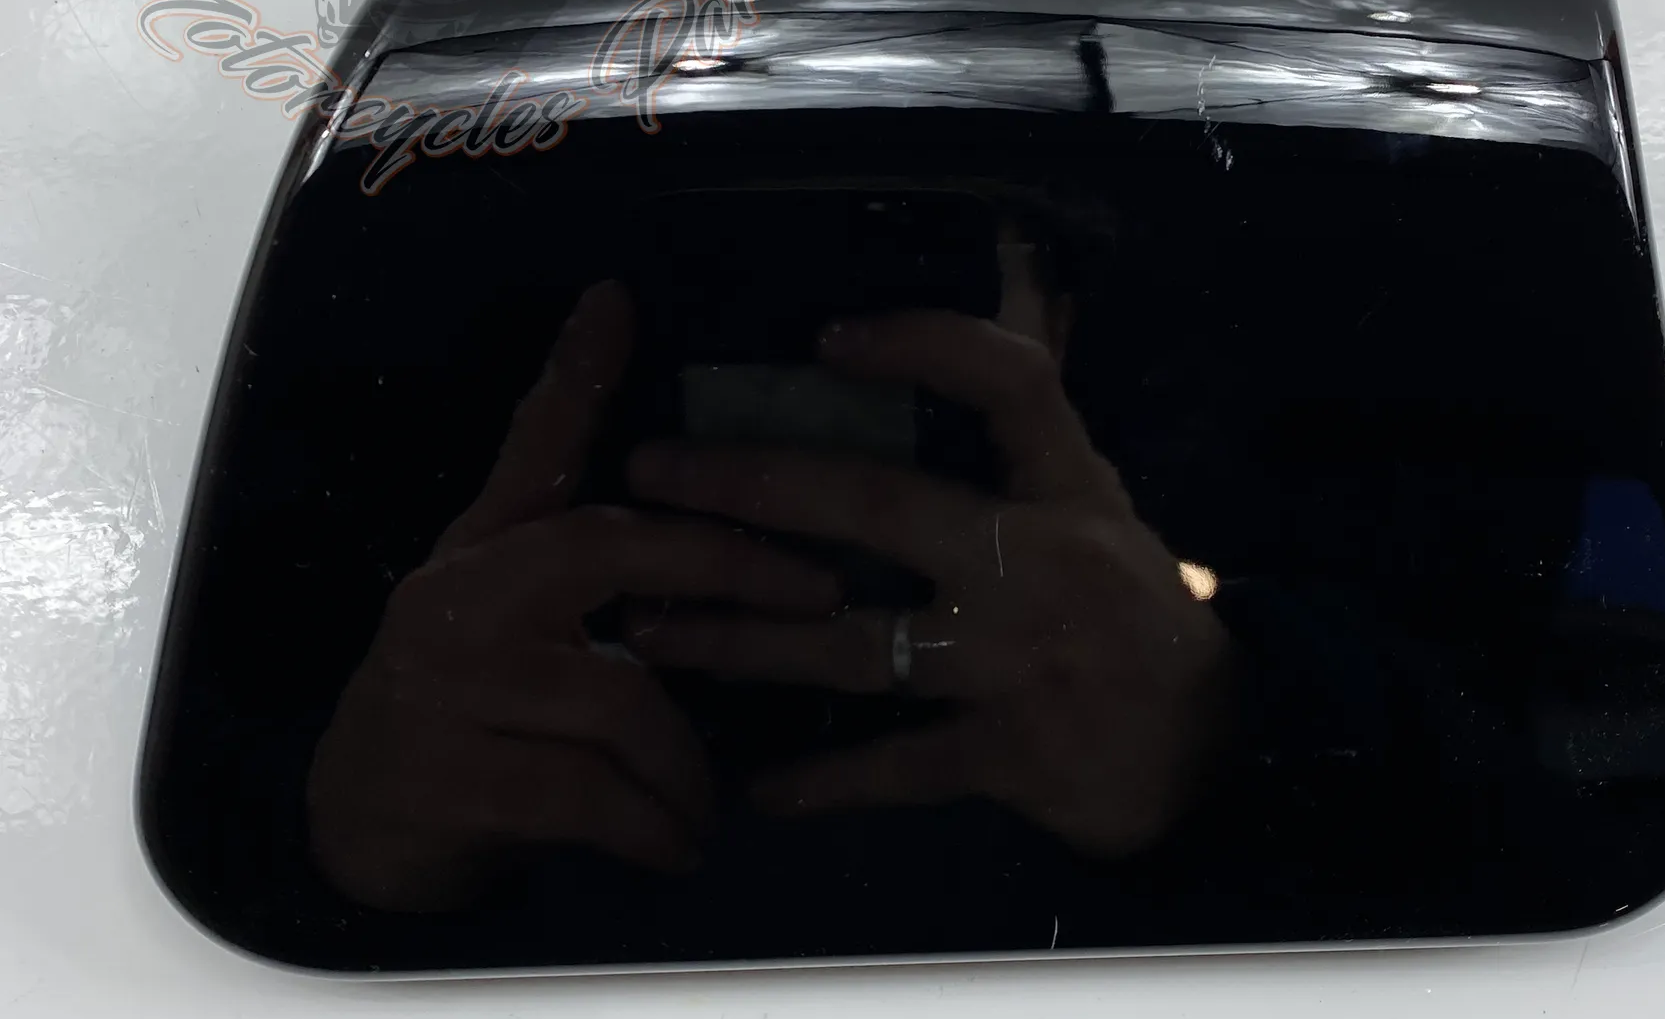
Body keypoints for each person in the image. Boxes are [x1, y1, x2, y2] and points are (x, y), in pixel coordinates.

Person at [306, 221, 1239, 918]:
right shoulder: (439, 600)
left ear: (1059, 332)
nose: (808, 352)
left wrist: (1221, 724)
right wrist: (371, 840)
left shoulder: (1192, 586)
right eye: (737, 276)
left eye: (907, 249)